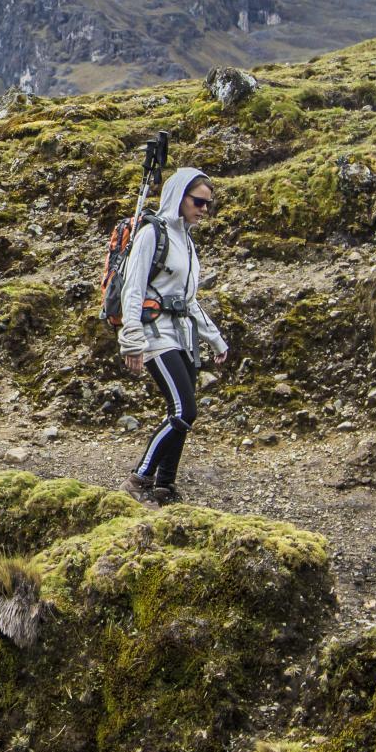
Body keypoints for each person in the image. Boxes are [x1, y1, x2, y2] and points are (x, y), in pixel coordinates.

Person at [117, 168, 230, 505]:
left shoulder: (187, 241)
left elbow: (189, 300)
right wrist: (132, 340)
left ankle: (165, 486)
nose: (204, 210)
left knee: (178, 411)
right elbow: (132, 289)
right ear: (179, 196)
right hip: (155, 334)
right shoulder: (153, 234)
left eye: (208, 204)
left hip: (182, 336)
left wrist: (215, 339)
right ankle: (139, 478)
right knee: (185, 410)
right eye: (198, 202)